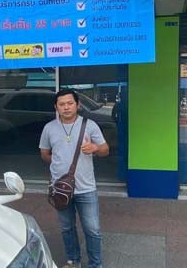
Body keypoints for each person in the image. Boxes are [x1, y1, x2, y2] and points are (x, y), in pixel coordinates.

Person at [39, 89, 109, 268]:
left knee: (92, 230)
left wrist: (95, 148)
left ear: (77, 105)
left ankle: (95, 264)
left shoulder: (90, 125)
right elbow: (45, 154)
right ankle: (73, 261)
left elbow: (105, 150)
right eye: (61, 104)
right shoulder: (49, 128)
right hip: (60, 188)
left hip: (86, 188)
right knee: (66, 228)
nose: (66, 107)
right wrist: (60, 166)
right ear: (56, 107)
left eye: (70, 103)